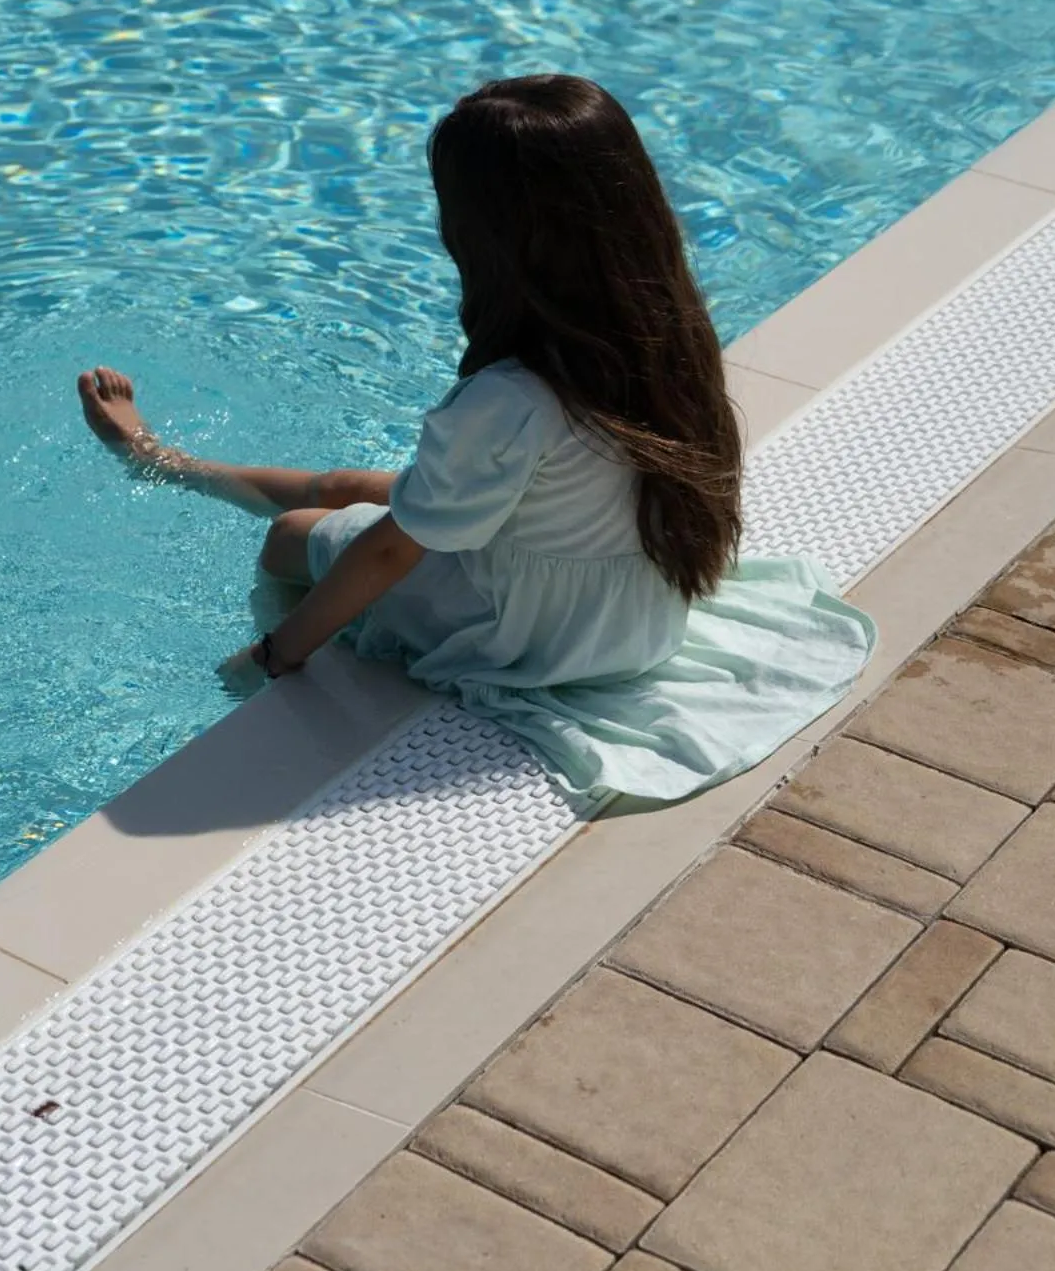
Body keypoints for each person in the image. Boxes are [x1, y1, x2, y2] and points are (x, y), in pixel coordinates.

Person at [78, 74, 875, 801]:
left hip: (543, 637)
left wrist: (276, 653)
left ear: (488, 231)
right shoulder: (659, 327)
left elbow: (394, 551)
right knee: (357, 485)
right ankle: (163, 462)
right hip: (635, 608)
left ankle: (262, 688)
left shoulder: (509, 397)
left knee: (295, 536)